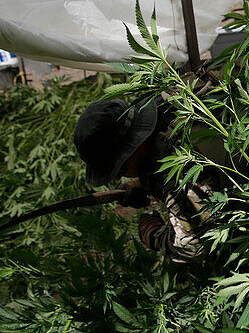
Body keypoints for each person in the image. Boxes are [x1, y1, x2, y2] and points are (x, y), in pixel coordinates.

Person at [73, 96, 231, 262]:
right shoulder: (169, 100)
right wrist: (144, 182)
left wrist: (153, 234)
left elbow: (193, 247)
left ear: (134, 145)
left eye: (120, 166)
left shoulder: (181, 170)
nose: (119, 176)